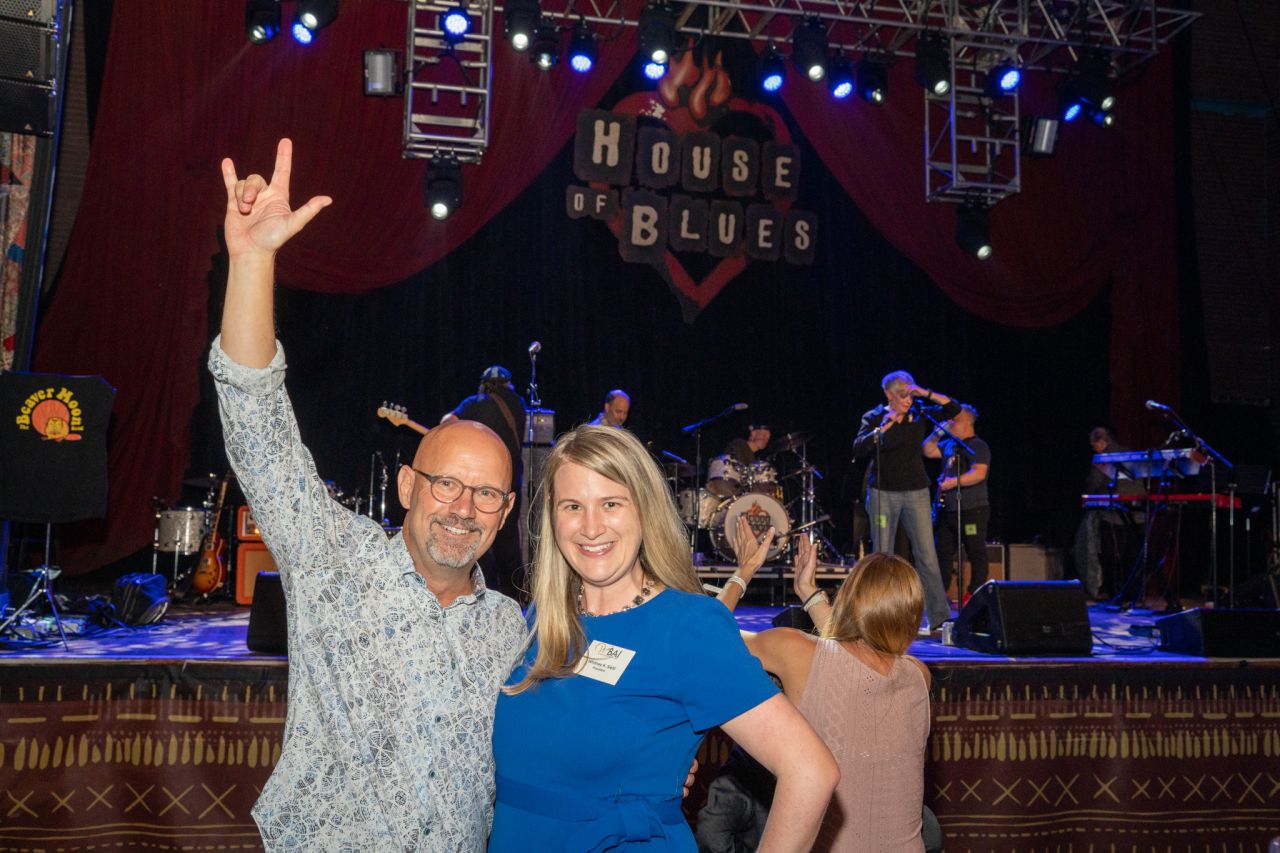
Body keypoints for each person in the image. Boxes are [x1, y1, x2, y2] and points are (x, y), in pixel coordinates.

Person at [213, 139, 527, 850]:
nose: (463, 508)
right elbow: (257, 423)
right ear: (409, 485)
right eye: (447, 484)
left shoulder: (511, 629)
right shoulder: (335, 562)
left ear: (506, 512)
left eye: (486, 494)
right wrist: (253, 262)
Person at [489, 424, 838, 852]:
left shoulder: (688, 626)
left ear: (644, 508)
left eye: (611, 503)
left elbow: (810, 771)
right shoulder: (542, 617)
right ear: (551, 514)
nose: (591, 527)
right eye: (573, 506)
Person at [719, 527, 934, 852]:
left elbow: (709, 637)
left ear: (848, 597)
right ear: (913, 616)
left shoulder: (795, 651)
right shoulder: (919, 676)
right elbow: (857, 658)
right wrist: (810, 594)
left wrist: (744, 571)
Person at [851, 371, 959, 632]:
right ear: (888, 394)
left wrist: (925, 393)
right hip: (883, 493)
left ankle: (939, 618)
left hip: (916, 492)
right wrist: (885, 424)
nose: (907, 400)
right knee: (882, 556)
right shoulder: (875, 416)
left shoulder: (920, 411)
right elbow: (859, 448)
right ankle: (879, 616)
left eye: (910, 394)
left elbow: (953, 409)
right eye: (902, 395)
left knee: (927, 555)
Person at [444, 366, 528, 597]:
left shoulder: (476, 402)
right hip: (510, 479)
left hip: (484, 480)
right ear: (508, 383)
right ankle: (516, 597)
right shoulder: (519, 404)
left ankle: (482, 592)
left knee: (478, 535)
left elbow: (446, 422)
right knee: (508, 540)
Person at [923, 404, 991, 605]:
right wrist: (938, 431)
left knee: (975, 551)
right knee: (943, 552)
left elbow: (979, 473)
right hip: (948, 510)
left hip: (972, 509)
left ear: (967, 422)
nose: (951, 423)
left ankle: (974, 594)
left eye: (955, 420)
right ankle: (939, 594)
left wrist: (952, 482)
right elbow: (927, 450)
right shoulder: (949, 445)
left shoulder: (978, 445)